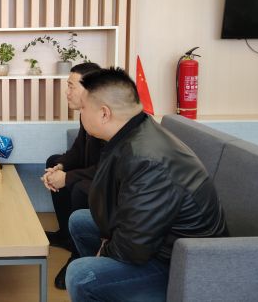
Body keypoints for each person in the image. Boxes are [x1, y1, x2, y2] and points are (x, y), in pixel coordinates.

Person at [66, 67, 228, 302]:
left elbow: (133, 247)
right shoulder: (134, 130)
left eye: (83, 108)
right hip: (158, 242)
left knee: (81, 276)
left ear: (104, 114)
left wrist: (105, 251)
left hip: (183, 265)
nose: (80, 113)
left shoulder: (147, 160)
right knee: (80, 221)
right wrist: (107, 240)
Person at [40, 62, 103, 289]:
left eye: (71, 86)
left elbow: (106, 167)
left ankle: (78, 255)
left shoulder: (105, 117)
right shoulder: (86, 113)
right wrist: (59, 167)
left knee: (79, 188)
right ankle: (66, 234)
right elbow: (77, 150)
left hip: (109, 179)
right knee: (53, 160)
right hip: (94, 170)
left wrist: (67, 177)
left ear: (89, 89)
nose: (67, 92)